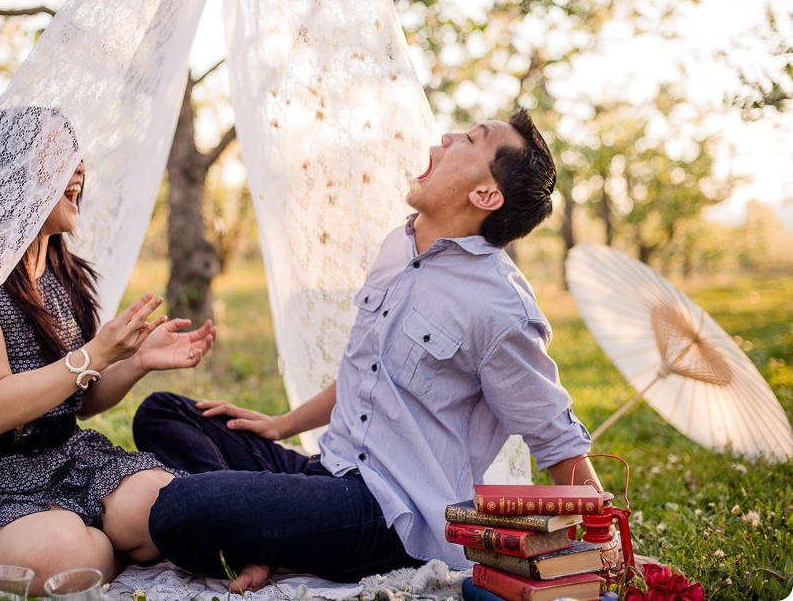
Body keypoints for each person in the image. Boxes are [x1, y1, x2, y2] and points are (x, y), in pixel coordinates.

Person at [134, 109, 601, 592]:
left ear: (485, 194)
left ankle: (263, 534)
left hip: (389, 513)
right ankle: (270, 539)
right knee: (161, 414)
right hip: (328, 469)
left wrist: (607, 550)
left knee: (178, 509)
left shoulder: (501, 308)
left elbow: (558, 440)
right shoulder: (398, 248)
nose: (446, 137)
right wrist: (281, 425)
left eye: (468, 139)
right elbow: (370, 371)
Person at [0, 108, 217, 595]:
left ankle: (99, 533)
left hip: (68, 458)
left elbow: (79, 400)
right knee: (58, 557)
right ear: (13, 172)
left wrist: (132, 361)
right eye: (59, 157)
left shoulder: (67, 274)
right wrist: (94, 353)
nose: (80, 169)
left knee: (169, 503)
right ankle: (99, 538)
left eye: (77, 156)